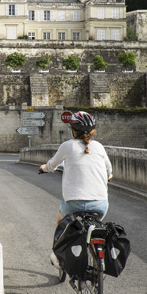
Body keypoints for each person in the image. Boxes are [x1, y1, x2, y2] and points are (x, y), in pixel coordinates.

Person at [38, 111, 112, 269]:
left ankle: (57, 255)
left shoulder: (67, 146)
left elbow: (52, 165)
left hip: (74, 203)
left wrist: (44, 168)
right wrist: (109, 176)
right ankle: (98, 261)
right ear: (92, 131)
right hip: (100, 204)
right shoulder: (99, 147)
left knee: (61, 221)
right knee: (95, 229)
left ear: (73, 129)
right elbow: (109, 170)